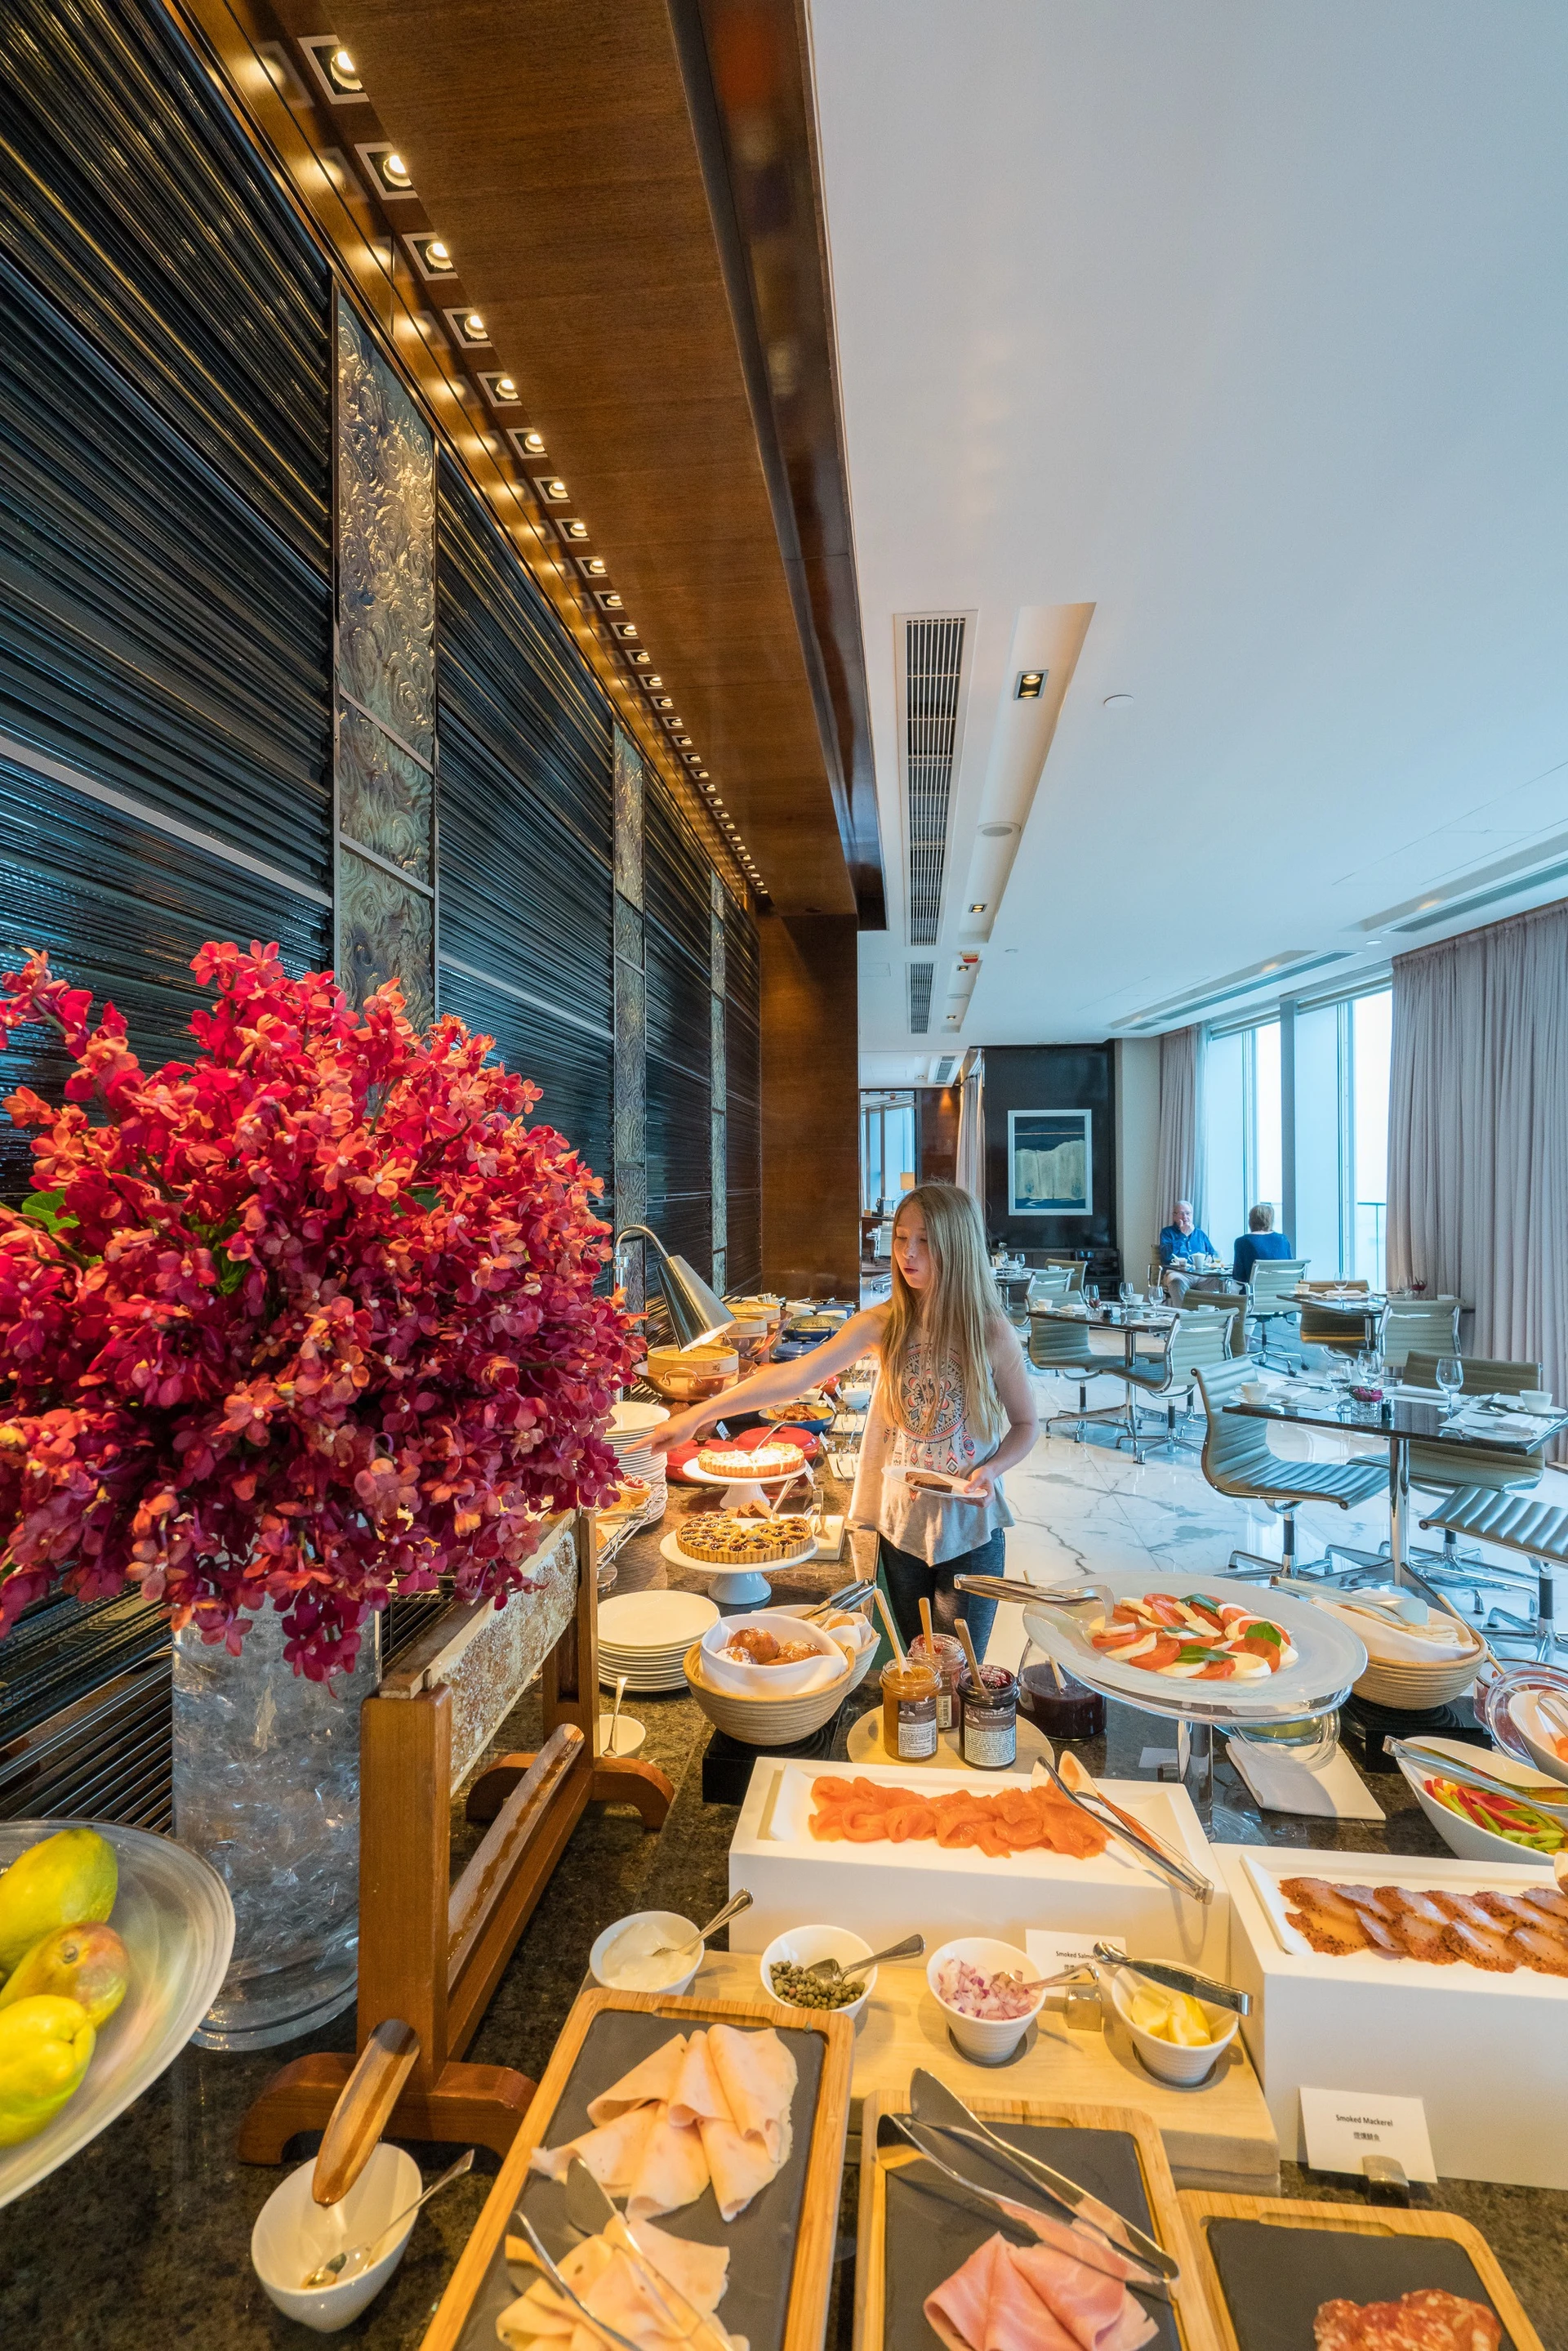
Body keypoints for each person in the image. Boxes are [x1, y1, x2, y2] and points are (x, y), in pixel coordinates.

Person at [650, 1182, 1038, 1661]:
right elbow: (794, 1378)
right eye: (900, 1237)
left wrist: (992, 1470)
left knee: (958, 1675)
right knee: (908, 1667)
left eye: (925, 1241)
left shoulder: (989, 1332)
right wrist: (701, 1413)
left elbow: (1025, 1426)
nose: (907, 1253)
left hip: (970, 1530)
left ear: (957, 1246)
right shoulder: (884, 1324)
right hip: (900, 1525)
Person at [1158, 1200, 1217, 1302]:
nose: (1185, 1217)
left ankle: (1215, 1315)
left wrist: (1211, 1258)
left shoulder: (1200, 1234)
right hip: (1178, 1274)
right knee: (1176, 1281)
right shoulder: (1167, 1232)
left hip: (1201, 1275)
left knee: (1224, 1283)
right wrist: (1183, 1235)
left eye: (1188, 1213)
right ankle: (1183, 1315)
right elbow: (1166, 1256)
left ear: (1192, 1215)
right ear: (1174, 1216)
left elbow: (1213, 1253)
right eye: (1181, 1213)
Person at [1232, 1201, 1293, 1287]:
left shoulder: (1242, 1242)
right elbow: (1290, 1270)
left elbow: (1238, 1278)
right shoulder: (1283, 1240)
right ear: (1271, 1221)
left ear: (1251, 1221)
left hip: (1253, 1295)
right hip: (1281, 1294)